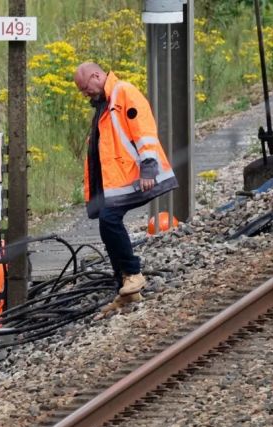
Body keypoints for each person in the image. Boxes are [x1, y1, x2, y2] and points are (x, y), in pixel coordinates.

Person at [72, 62, 177, 309]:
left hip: (136, 176)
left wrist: (149, 166)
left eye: (85, 87)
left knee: (109, 220)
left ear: (97, 75)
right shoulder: (105, 104)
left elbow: (144, 130)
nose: (84, 93)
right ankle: (125, 284)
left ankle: (133, 274)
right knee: (107, 224)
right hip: (118, 181)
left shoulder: (123, 92)